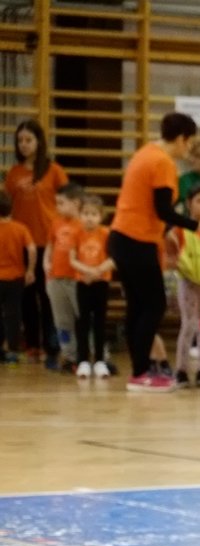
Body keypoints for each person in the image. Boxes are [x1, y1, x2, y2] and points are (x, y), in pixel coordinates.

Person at [110, 112, 200, 392]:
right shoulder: (161, 162)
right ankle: (142, 372)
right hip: (137, 241)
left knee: (138, 306)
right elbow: (164, 210)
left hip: (123, 239)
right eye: (189, 142)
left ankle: (139, 371)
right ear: (183, 138)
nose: (187, 149)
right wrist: (198, 225)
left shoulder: (146, 152)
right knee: (154, 304)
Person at [6, 119, 68, 363]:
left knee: (48, 294)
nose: (24, 144)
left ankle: (52, 343)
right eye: (20, 140)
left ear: (39, 142)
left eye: (28, 140)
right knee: (26, 296)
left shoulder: (54, 171)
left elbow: (67, 202)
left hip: (48, 243)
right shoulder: (14, 173)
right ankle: (32, 344)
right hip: (23, 244)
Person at [167, 184, 200, 387]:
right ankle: (180, 369)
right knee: (188, 325)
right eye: (199, 201)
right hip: (188, 283)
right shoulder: (180, 230)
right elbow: (171, 257)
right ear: (189, 204)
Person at [70, 194, 115, 380]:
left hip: (101, 283)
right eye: (86, 213)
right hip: (83, 283)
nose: (89, 217)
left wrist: (97, 272)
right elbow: (72, 259)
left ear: (101, 216)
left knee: (99, 322)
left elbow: (113, 259)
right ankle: (82, 360)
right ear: (80, 215)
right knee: (83, 322)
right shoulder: (76, 234)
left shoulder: (106, 233)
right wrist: (87, 272)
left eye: (94, 214)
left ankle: (99, 360)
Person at [43, 182, 85, 371]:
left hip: (76, 279)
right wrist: (46, 263)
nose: (57, 207)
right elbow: (50, 246)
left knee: (83, 318)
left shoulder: (84, 224)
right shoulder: (56, 223)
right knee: (62, 321)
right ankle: (68, 356)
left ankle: (90, 354)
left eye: (61, 203)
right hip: (56, 279)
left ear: (76, 203)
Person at [0, 189, 35, 364]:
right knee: (13, 314)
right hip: (15, 277)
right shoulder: (20, 228)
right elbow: (32, 249)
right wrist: (30, 270)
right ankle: (12, 350)